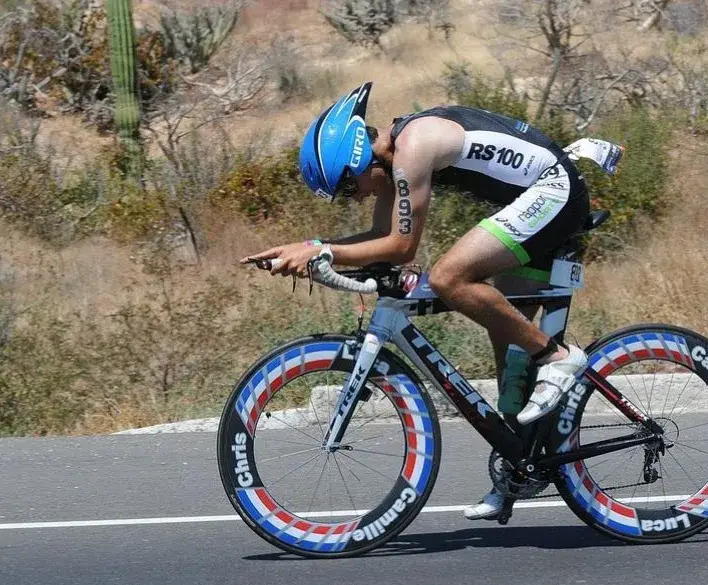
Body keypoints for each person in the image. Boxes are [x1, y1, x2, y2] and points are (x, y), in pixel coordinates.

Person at [241, 82, 594, 521]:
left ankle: (560, 357)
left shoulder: (413, 147)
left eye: (348, 190)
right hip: (531, 199)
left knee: (449, 277)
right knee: (511, 348)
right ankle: (519, 467)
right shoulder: (387, 158)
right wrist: (308, 245)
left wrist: (319, 251)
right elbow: (378, 238)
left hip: (554, 191)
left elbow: (401, 247)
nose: (358, 198)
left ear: (356, 163)